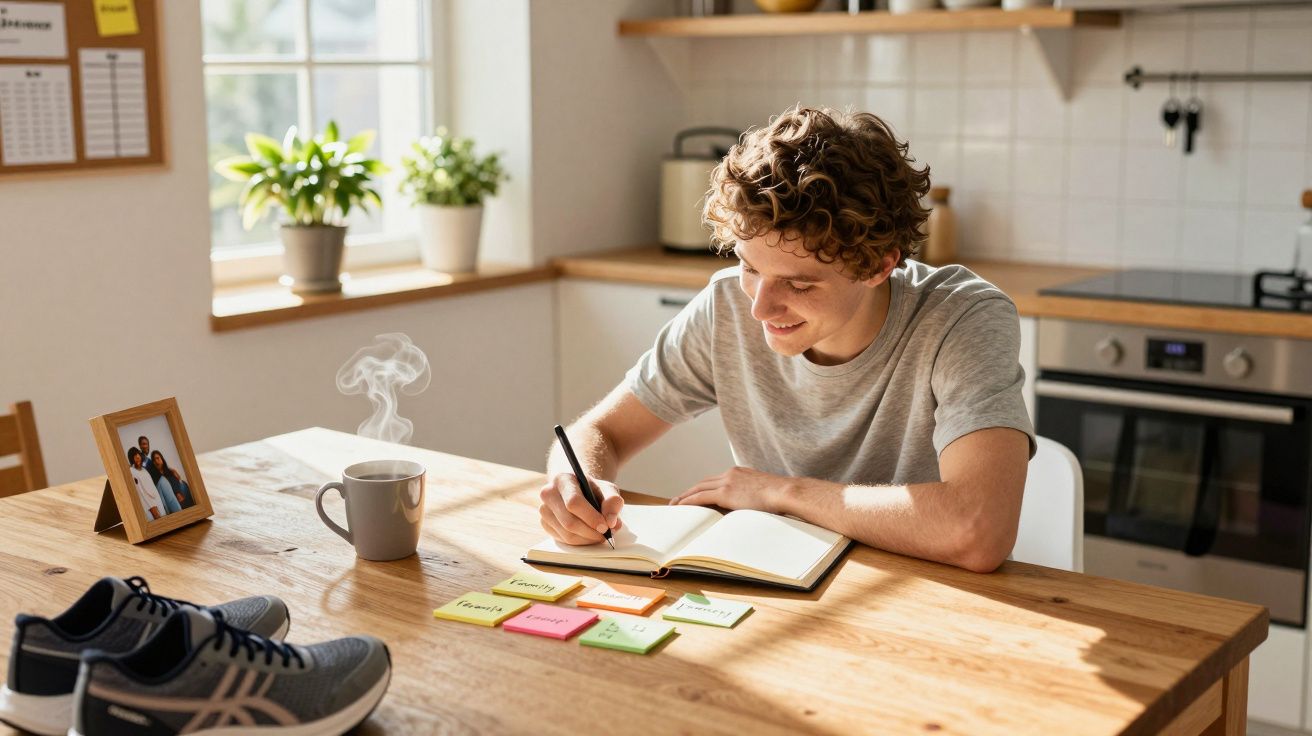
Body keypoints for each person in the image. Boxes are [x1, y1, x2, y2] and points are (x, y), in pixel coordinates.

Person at [538, 106, 1035, 573]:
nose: (759, 308)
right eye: (749, 268)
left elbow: (978, 529)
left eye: (799, 284)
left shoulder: (960, 318)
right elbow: (601, 432)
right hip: (775, 581)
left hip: (920, 592)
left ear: (880, 264)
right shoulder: (728, 306)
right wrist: (574, 482)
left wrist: (783, 493)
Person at [127, 447, 166, 520]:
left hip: (157, 502)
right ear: (131, 459)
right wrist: (153, 509)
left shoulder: (144, 470)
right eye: (134, 456)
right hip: (150, 508)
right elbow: (142, 493)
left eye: (137, 454)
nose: (137, 457)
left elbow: (152, 488)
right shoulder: (132, 471)